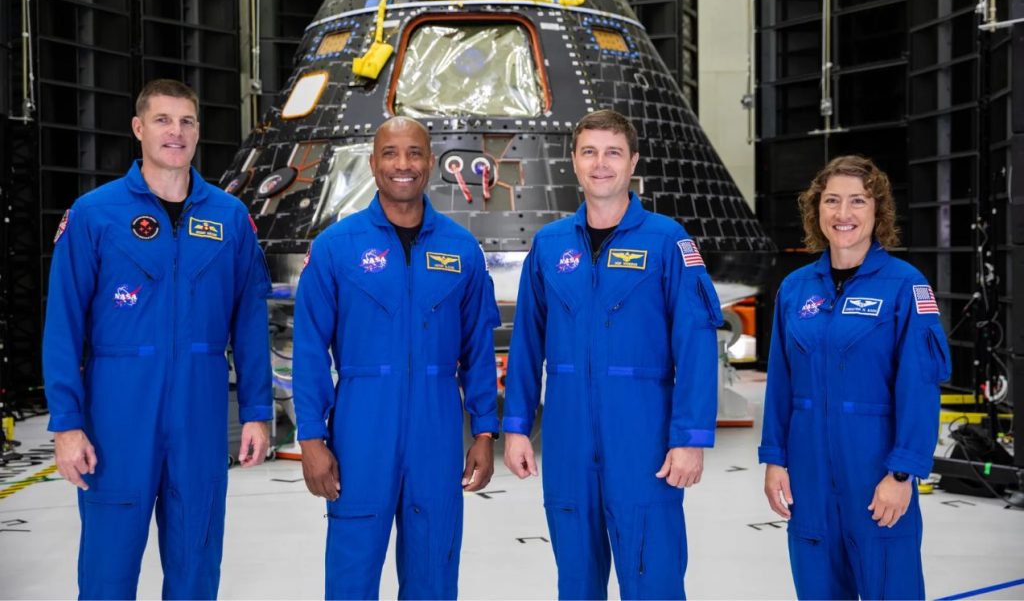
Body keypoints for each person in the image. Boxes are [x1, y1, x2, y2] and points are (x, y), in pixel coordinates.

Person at [42, 78, 273, 599]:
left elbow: (249, 324)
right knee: (107, 572)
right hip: (117, 418)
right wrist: (67, 424)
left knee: (196, 567)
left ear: (198, 131)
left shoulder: (230, 219)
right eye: (163, 120)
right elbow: (63, 326)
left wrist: (257, 411)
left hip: (200, 416)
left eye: (186, 121)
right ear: (138, 128)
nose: (176, 132)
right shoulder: (94, 215)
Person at [502, 109, 723, 600]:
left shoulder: (667, 241)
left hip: (644, 441)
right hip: (567, 441)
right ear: (574, 162)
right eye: (589, 152)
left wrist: (689, 438)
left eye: (613, 153)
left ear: (633, 162)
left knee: (653, 578)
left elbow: (695, 343)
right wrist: (516, 426)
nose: (600, 164)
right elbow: (527, 343)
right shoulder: (548, 246)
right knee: (576, 582)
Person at [291, 116, 500, 600]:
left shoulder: (461, 249)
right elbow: (309, 349)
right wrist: (311, 438)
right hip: (361, 428)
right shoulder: (335, 247)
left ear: (431, 162)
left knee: (434, 570)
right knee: (352, 573)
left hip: (437, 428)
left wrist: (484, 431)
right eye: (390, 153)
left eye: (414, 153)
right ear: (373, 163)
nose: (402, 164)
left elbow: (478, 349)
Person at [758, 155, 951, 599]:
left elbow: (920, 388)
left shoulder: (905, 286)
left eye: (858, 201)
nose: (843, 213)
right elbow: (781, 384)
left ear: (878, 210)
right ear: (816, 209)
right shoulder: (795, 289)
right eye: (831, 201)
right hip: (808, 479)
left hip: (875, 476)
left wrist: (902, 474)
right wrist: (775, 459)